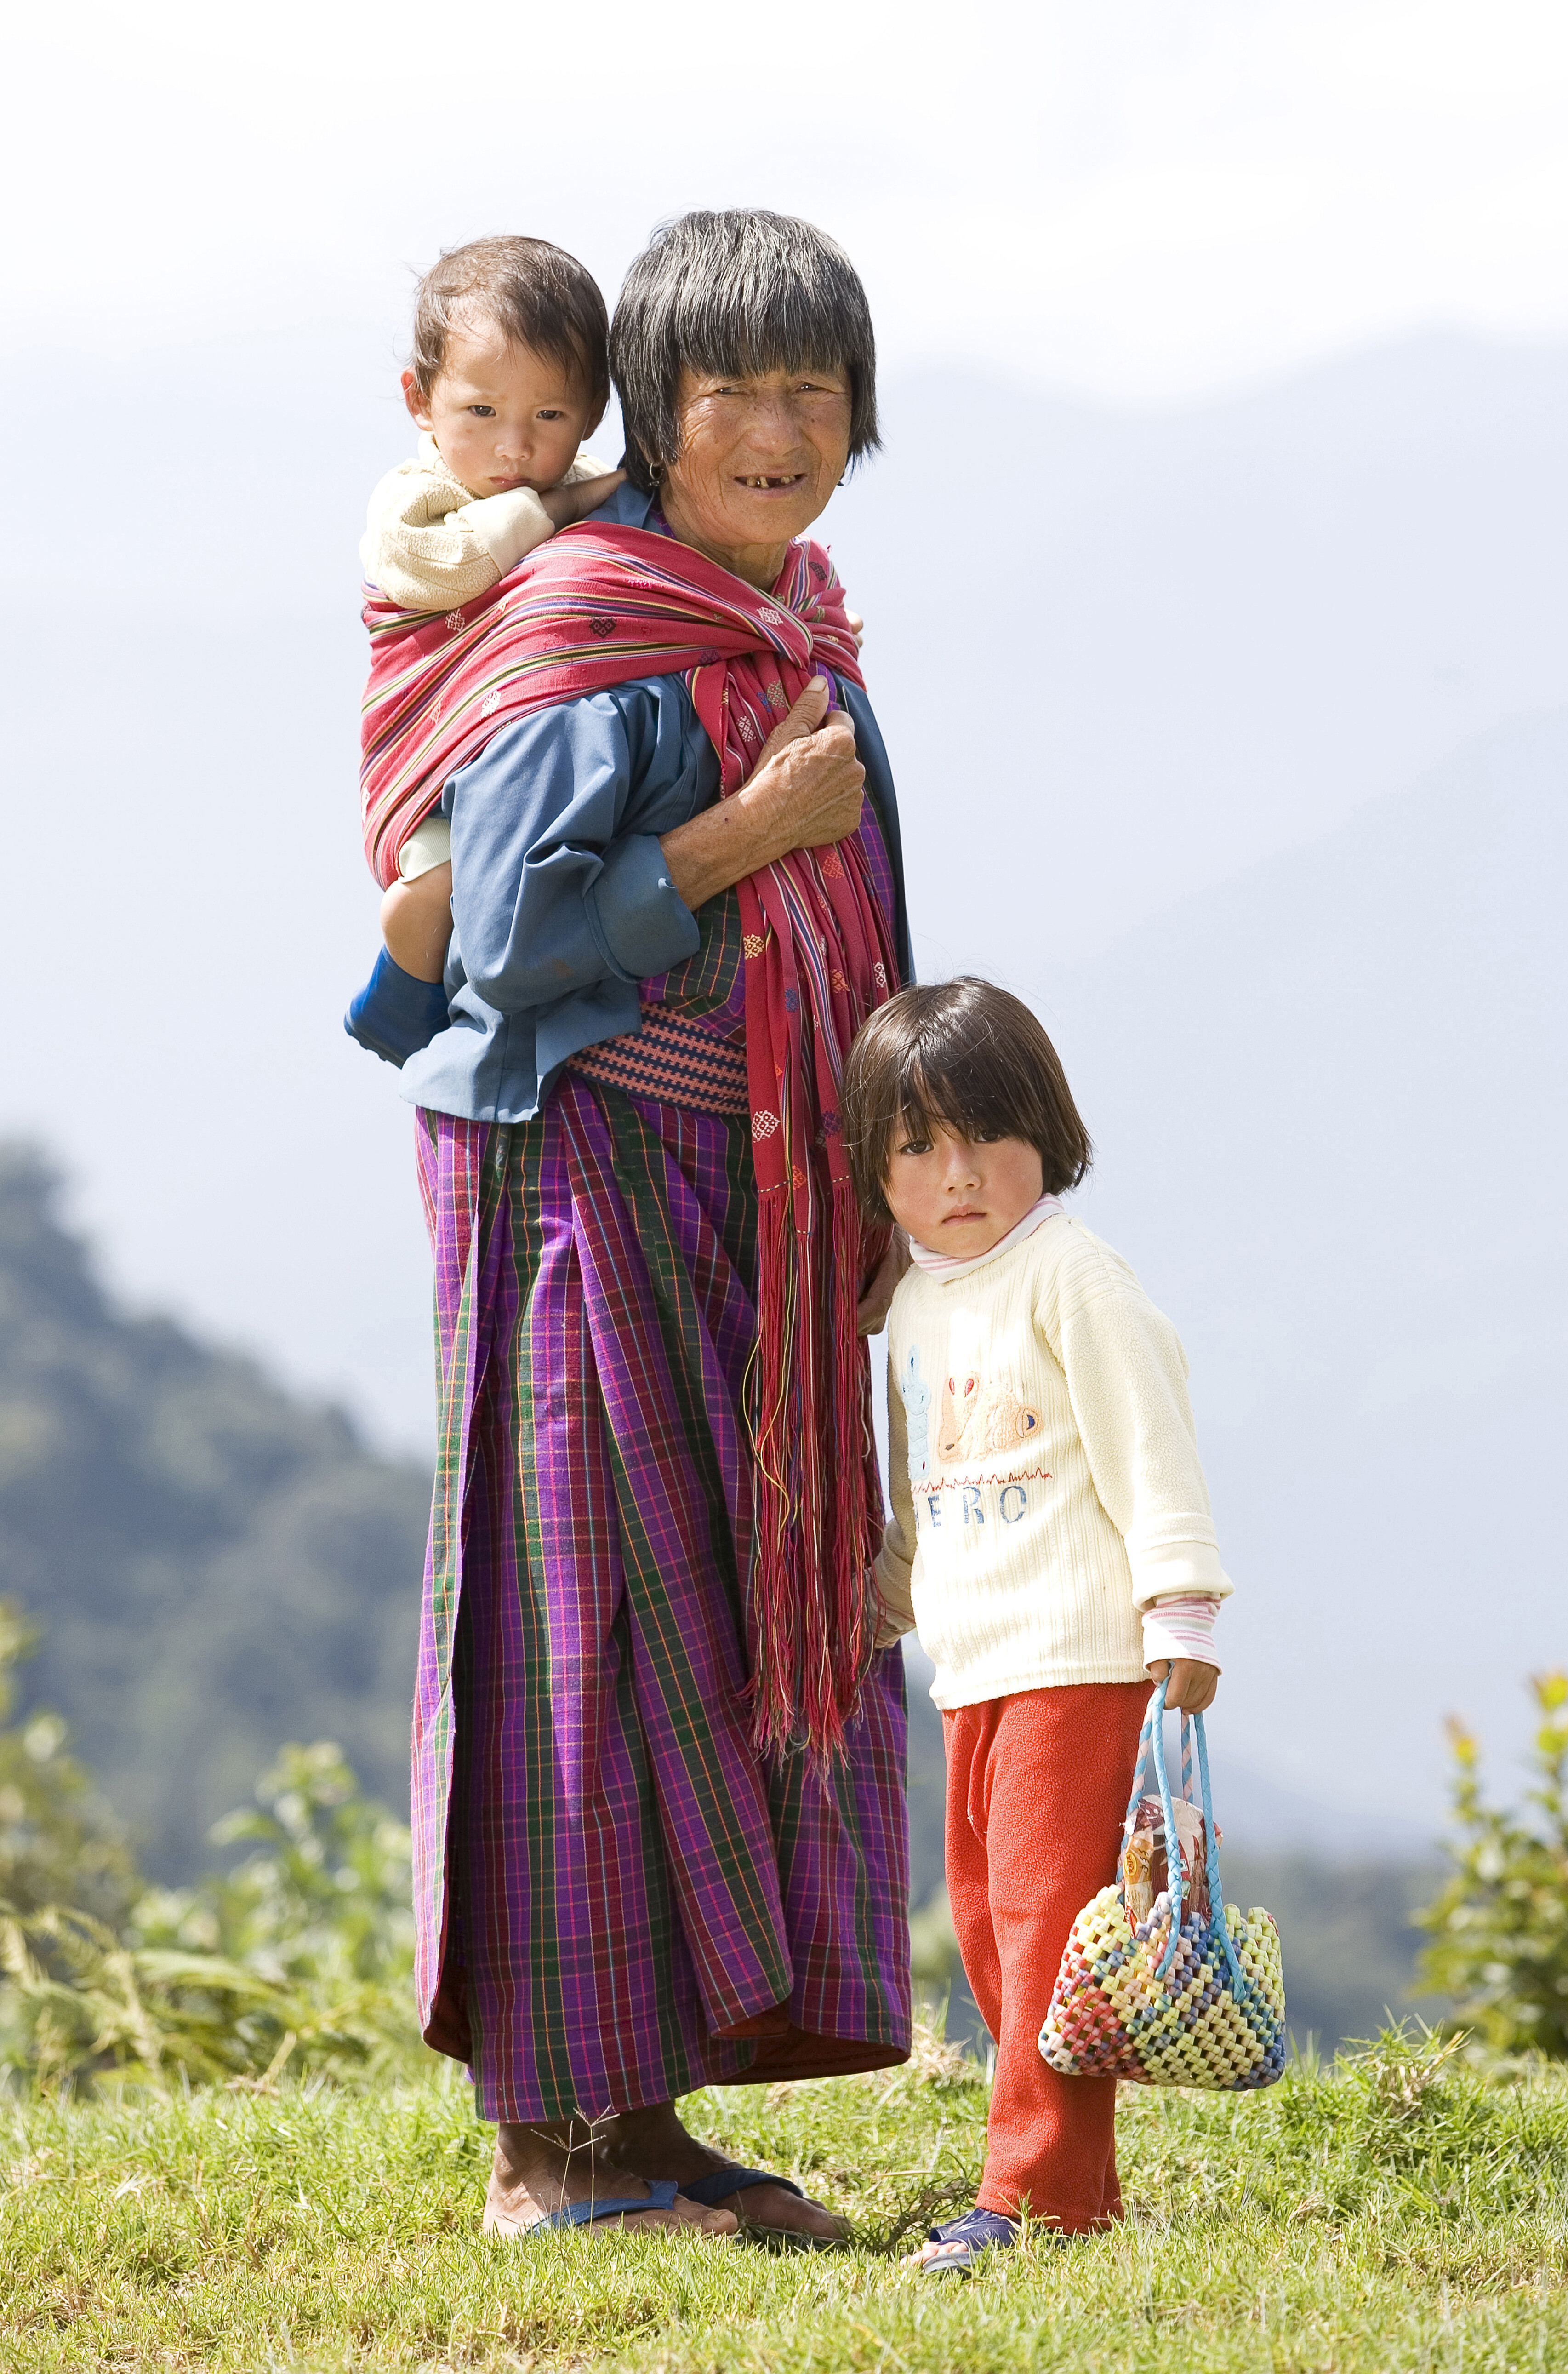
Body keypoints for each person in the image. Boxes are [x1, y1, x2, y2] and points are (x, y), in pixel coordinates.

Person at [359, 211, 916, 2242]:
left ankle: (653, 2121)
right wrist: (742, 836)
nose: (775, 430)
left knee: (728, 1615)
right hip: (582, 1182)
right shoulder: (591, 623)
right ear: (648, 423)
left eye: (812, 389)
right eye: (729, 392)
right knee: (585, 1637)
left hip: (755, 1199)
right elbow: (502, 944)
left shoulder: (791, 624)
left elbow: (874, 925)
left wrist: (886, 1176)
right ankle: (553, 2152)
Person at [842, 978, 1232, 2271]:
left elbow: (1148, 1444)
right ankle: (1063, 2186)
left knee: (1045, 1923)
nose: (955, 1174)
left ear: (1043, 1131)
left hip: (1076, 1660)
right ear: (875, 1170)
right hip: (973, 1669)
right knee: (991, 1930)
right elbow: (922, 1497)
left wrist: (1181, 1604)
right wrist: (874, 1605)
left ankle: (1030, 2200)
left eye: (981, 1133)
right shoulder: (908, 1308)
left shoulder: (1071, 1275)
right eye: (916, 1146)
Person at [358, 236, 624, 1021]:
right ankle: (399, 993)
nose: (515, 446)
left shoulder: (579, 485)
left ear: (593, 414)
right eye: (481, 412)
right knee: (441, 879)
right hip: (429, 747)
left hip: (523, 754)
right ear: (420, 400)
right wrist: (556, 510)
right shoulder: (413, 496)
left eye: (549, 414)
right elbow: (443, 570)